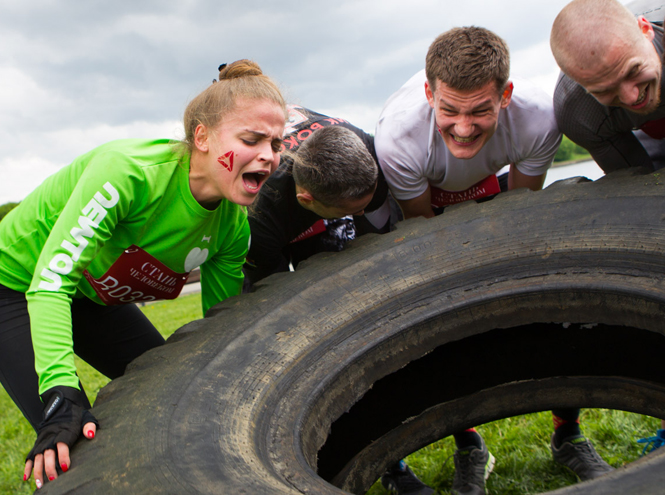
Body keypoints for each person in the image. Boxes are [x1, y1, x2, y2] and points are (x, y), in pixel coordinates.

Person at [0, 59, 286, 490]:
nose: (268, 155)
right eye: (252, 139)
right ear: (202, 137)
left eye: (277, 144)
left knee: (174, 391)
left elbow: (221, 329)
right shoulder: (128, 173)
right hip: (16, 286)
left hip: (92, 296)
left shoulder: (232, 228)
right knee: (68, 433)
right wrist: (60, 389)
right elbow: (51, 282)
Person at [375, 27, 611, 495]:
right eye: (449, 110)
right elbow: (431, 240)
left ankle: (569, 433)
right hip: (430, 203)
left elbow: (519, 225)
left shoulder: (539, 117)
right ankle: (470, 444)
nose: (463, 128)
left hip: (494, 185)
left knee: (545, 304)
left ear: (505, 95)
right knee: (446, 323)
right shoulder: (398, 138)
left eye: (481, 109)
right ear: (428, 95)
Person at [243, 105, 394, 290]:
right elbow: (272, 288)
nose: (362, 212)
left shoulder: (370, 151)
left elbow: (380, 245)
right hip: (270, 217)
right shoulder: (257, 211)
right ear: (307, 199)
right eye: (351, 211)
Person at [550, 0, 665, 172]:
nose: (631, 98)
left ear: (645, 30)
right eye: (604, 90)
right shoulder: (577, 111)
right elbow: (635, 184)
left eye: (632, 71)